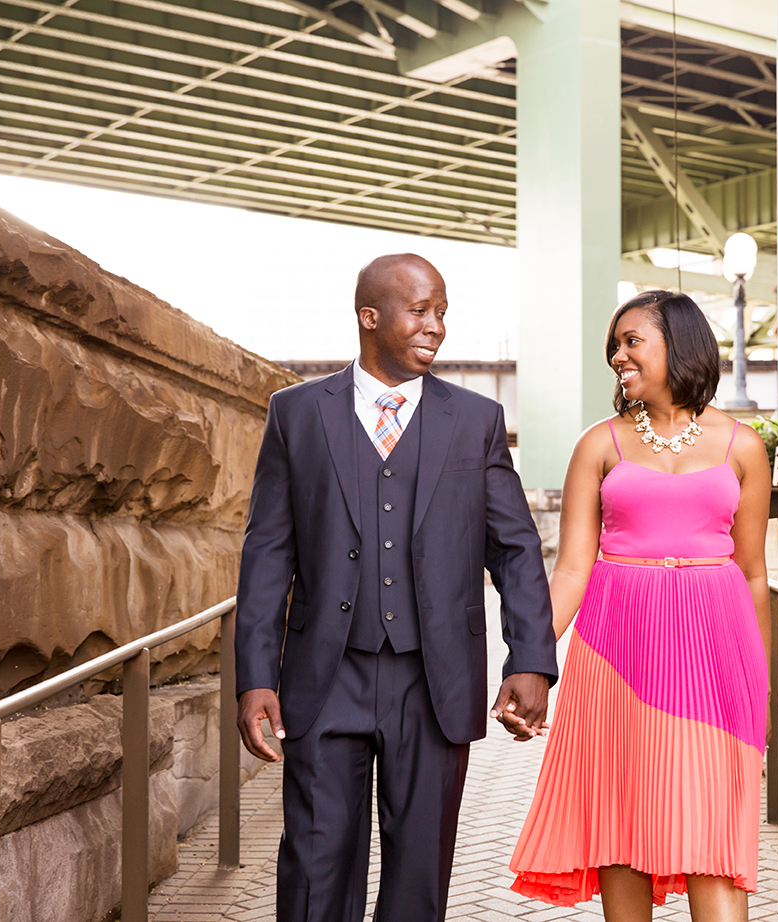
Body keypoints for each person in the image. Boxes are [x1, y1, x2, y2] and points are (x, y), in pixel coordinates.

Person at [233, 253, 558, 922]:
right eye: (420, 310)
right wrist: (255, 677)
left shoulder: (476, 420)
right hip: (325, 675)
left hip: (433, 679)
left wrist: (530, 660)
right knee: (314, 863)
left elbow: (516, 546)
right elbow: (268, 550)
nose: (436, 326)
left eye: (442, 312)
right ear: (369, 316)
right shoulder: (296, 414)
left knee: (419, 871)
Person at [508, 289, 772, 920]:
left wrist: (762, 682)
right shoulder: (599, 444)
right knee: (623, 822)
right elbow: (571, 568)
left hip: (715, 655)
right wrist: (528, 661)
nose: (618, 358)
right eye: (614, 347)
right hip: (617, 648)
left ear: (678, 345)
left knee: (712, 828)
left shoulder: (743, 447)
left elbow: (754, 573)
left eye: (632, 342)